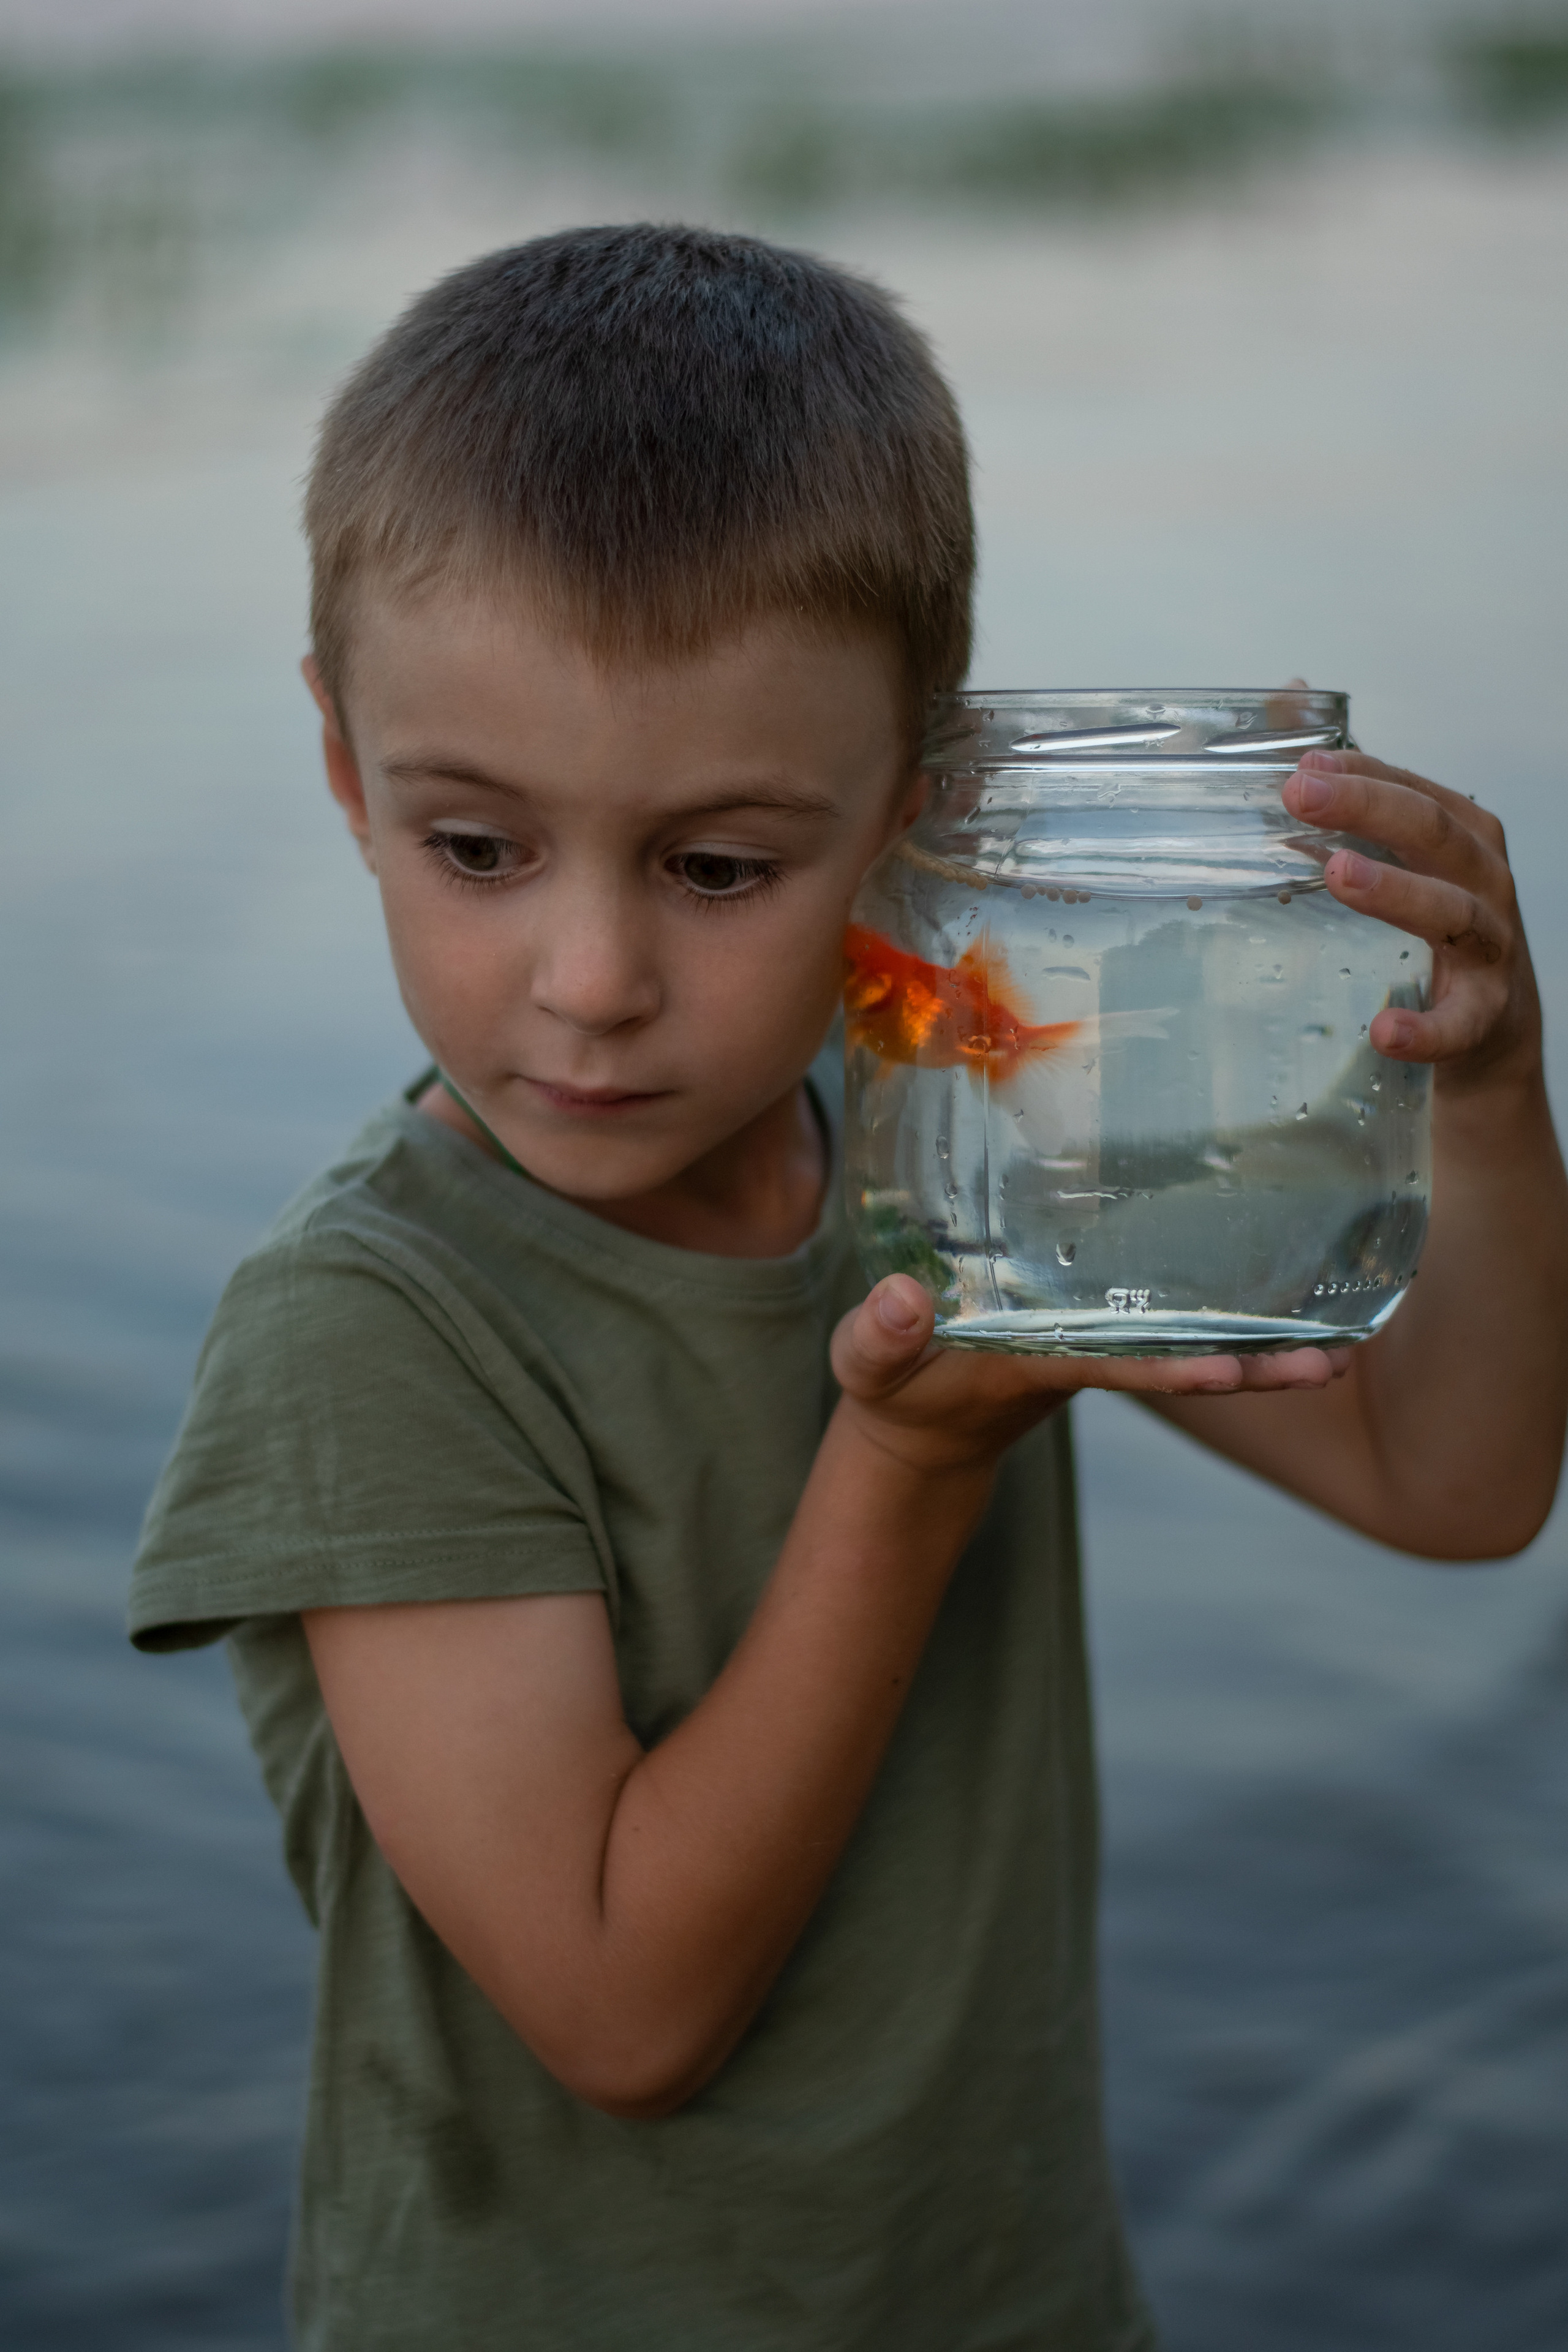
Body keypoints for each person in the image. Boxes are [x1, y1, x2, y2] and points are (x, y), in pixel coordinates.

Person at [129, 223, 1567, 2352]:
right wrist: (902, 1468)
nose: (594, 982)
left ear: (916, 817)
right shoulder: (372, 1329)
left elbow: (1460, 1487)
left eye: (719, 870)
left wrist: (1492, 1095)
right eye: (477, 848)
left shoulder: (960, 1127)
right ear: (350, 769)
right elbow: (625, 2010)